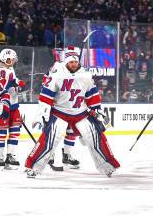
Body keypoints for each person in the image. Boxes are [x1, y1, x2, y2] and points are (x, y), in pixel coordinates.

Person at [25, 48, 120, 177]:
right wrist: (42, 113)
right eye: (71, 62)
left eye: (75, 62)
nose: (73, 64)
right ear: (66, 63)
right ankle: (33, 166)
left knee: (96, 137)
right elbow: (46, 95)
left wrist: (97, 111)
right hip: (60, 112)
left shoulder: (86, 75)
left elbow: (92, 96)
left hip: (80, 113)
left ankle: (108, 166)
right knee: (49, 139)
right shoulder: (57, 73)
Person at [0, 48, 26, 169]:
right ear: (5, 59)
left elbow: (12, 80)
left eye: (13, 60)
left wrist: (17, 82)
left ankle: (10, 156)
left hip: (14, 104)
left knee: (15, 131)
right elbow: (0, 85)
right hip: (1, 105)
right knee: (1, 131)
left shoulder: (9, 68)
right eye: (10, 59)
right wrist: (13, 83)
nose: (12, 61)